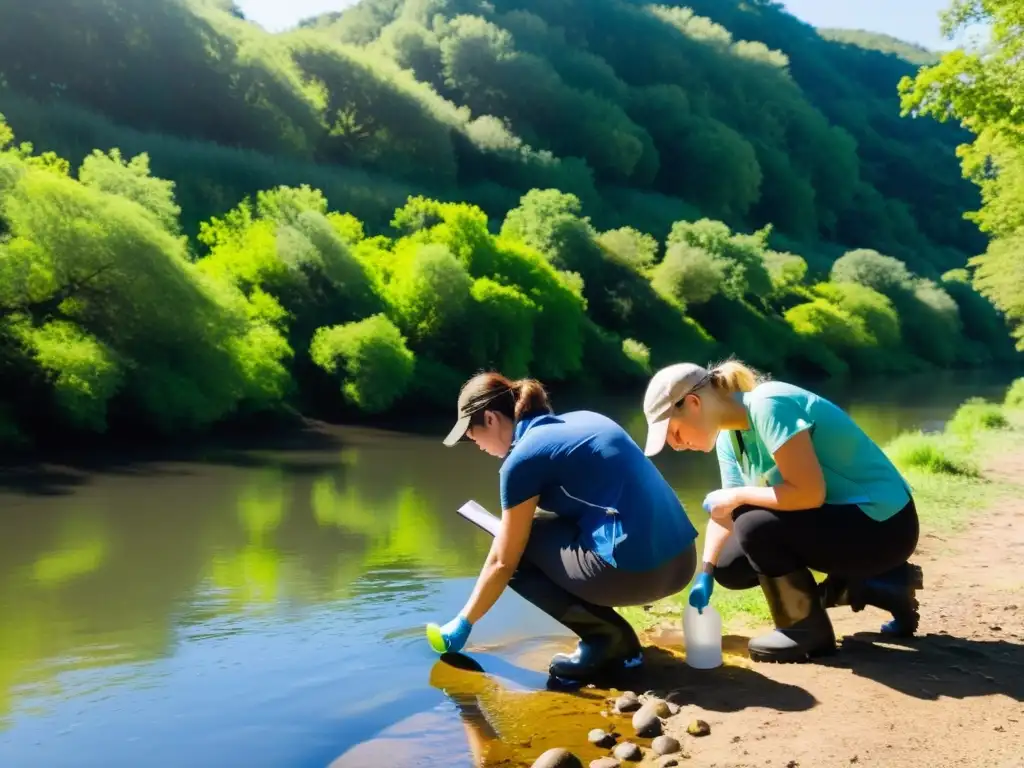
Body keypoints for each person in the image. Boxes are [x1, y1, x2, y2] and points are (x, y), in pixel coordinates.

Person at [639, 358, 923, 664]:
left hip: (886, 525)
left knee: (753, 524)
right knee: (729, 563)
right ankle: (875, 585)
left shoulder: (768, 404)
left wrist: (736, 495)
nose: (677, 446)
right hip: (844, 522)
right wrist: (705, 572)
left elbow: (808, 493)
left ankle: (805, 630)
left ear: (693, 403)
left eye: (674, 433)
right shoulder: (728, 437)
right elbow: (725, 511)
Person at [429, 371, 699, 683]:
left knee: (515, 551)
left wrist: (464, 622)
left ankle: (607, 640)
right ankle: (613, 637)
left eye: (471, 435)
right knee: (526, 532)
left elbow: (503, 561)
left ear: (490, 419)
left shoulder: (521, 461)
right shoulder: (587, 418)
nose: (474, 444)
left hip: (641, 575)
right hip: (682, 562)